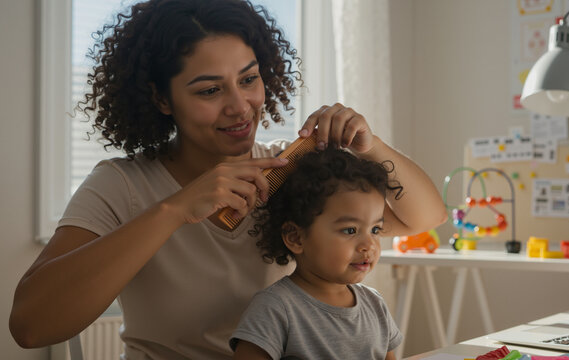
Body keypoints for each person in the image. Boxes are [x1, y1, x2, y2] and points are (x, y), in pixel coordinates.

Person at [9, 0, 447, 358]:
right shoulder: (123, 185)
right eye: (209, 90)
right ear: (161, 98)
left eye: (249, 80)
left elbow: (425, 217)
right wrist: (175, 209)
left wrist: (371, 145)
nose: (241, 107)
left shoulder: (286, 170)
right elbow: (30, 325)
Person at [231, 148, 403, 359]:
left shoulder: (375, 305)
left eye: (375, 230)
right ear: (296, 237)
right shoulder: (275, 309)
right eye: (350, 230)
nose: (369, 245)